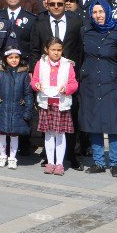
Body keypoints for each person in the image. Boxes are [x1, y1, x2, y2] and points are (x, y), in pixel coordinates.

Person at [79, 0, 117, 178]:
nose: (98, 16)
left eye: (101, 12)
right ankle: (99, 161)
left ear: (108, 12)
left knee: (114, 125)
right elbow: (80, 56)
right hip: (90, 84)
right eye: (95, 12)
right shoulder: (86, 31)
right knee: (94, 124)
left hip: (112, 84)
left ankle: (116, 163)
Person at [32, 37, 78, 175]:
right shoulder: (40, 63)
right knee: (49, 134)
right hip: (46, 104)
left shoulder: (67, 64)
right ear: (47, 50)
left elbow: (73, 83)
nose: (56, 53)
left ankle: (59, 163)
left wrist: (67, 88)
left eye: (59, 50)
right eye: (53, 50)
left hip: (61, 104)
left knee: (60, 135)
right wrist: (36, 85)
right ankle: (50, 162)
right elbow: (34, 80)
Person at [0, 47, 34, 170]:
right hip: (2, 109)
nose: (14, 60)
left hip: (18, 109)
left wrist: (28, 111)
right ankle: (2, 156)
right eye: (11, 57)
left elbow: (28, 94)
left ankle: (13, 157)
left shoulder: (24, 74)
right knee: (2, 133)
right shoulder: (0, 73)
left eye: (16, 57)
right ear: (5, 58)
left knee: (14, 135)